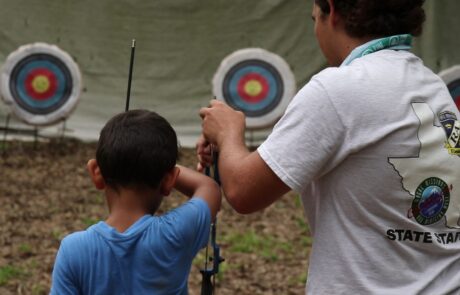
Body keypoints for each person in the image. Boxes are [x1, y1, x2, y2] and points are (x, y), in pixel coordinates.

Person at [198, 0, 460, 293]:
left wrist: (228, 132)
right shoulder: (431, 85)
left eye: (314, 19)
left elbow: (243, 191)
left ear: (332, 11)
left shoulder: (339, 87)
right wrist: (229, 151)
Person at [50, 110, 221, 294]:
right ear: (169, 180)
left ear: (96, 172)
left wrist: (122, 159)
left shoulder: (73, 250)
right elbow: (209, 188)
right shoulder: (175, 234)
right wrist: (155, 164)